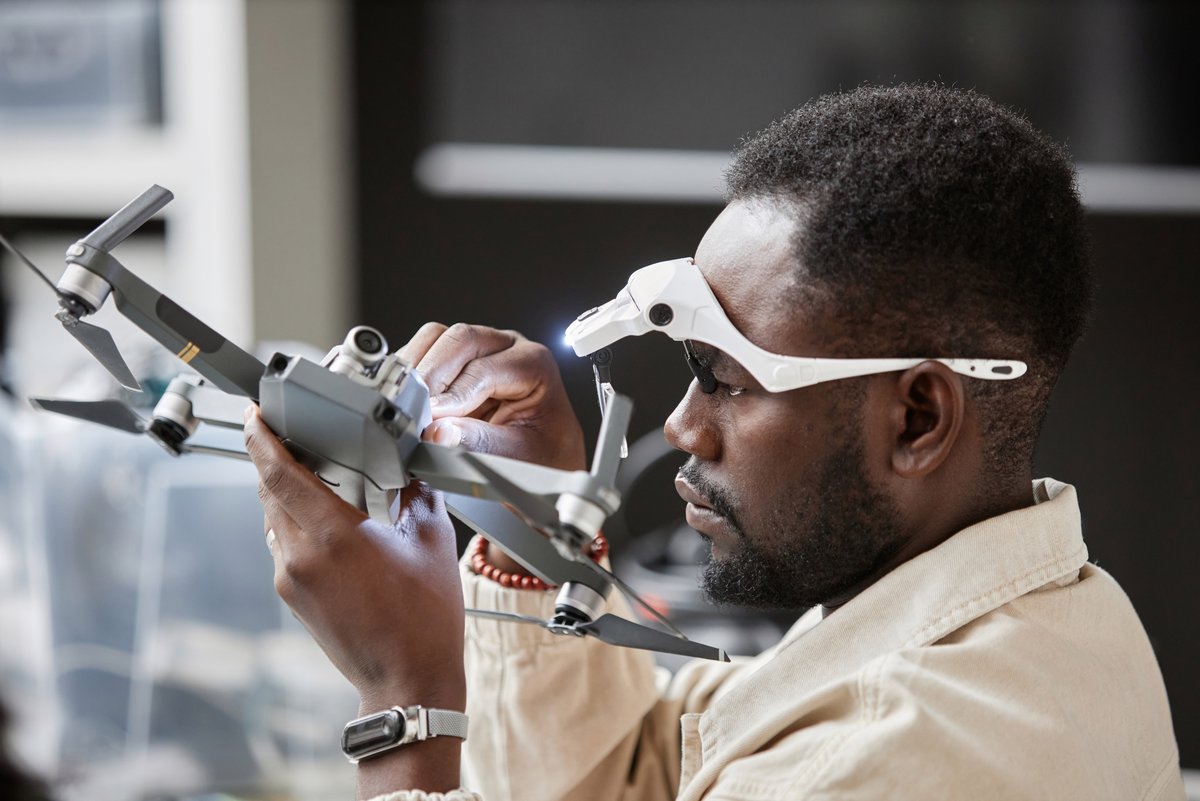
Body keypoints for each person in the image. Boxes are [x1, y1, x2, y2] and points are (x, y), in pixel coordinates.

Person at [242, 84, 1185, 800]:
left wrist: (404, 691)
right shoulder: (976, 618)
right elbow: (643, 776)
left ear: (917, 419)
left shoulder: (903, 754)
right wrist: (533, 526)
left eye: (727, 381)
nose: (683, 425)